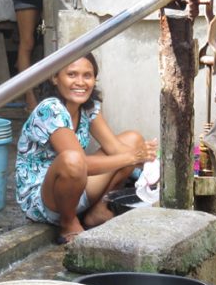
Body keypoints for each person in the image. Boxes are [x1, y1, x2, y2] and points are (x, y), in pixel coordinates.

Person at [14, 53, 158, 245]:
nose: (80, 82)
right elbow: (82, 163)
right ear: (55, 78)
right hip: (44, 201)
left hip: (77, 187)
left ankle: (98, 210)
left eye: (87, 76)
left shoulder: (88, 108)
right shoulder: (49, 110)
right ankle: (68, 223)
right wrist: (132, 158)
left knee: (133, 140)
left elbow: (116, 149)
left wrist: (146, 160)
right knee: (72, 160)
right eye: (72, 75)